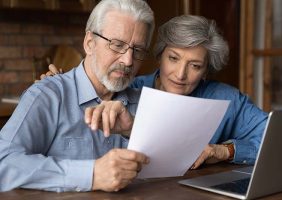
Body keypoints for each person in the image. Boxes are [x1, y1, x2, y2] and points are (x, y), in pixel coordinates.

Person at [43, 16, 267, 169]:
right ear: (160, 55)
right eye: (173, 58)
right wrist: (63, 88)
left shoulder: (226, 98)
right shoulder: (128, 90)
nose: (180, 74)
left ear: (206, 70)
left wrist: (223, 151)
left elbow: (277, 141)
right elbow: (83, 128)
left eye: (195, 66)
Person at [0, 0, 155, 192]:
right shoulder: (47, 95)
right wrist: (92, 174)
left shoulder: (147, 103)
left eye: (138, 50)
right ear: (90, 43)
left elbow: (177, 161)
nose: (128, 60)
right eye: (117, 45)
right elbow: (3, 163)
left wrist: (133, 129)